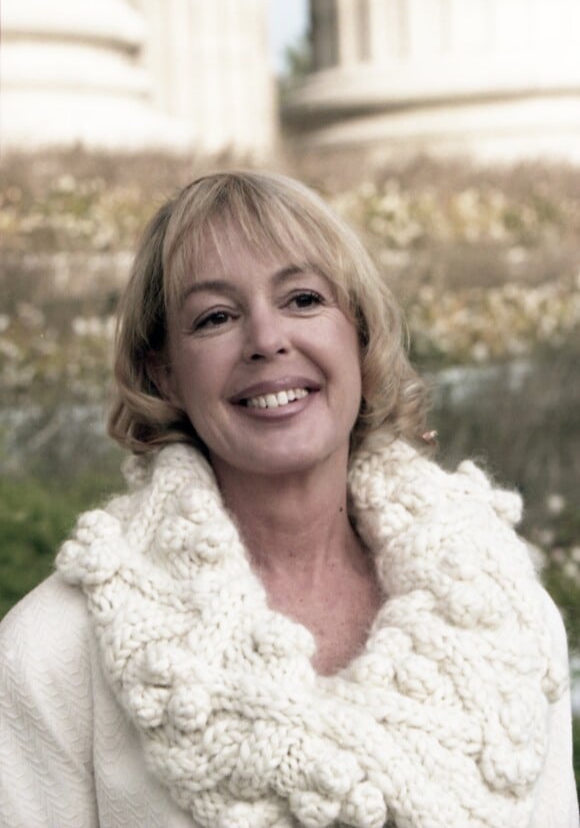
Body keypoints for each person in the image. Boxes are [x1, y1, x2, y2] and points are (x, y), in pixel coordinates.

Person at [0, 171, 577, 828]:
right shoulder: (52, 656)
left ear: (358, 333)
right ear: (164, 371)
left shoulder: (504, 611)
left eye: (303, 299)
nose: (267, 340)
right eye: (216, 316)